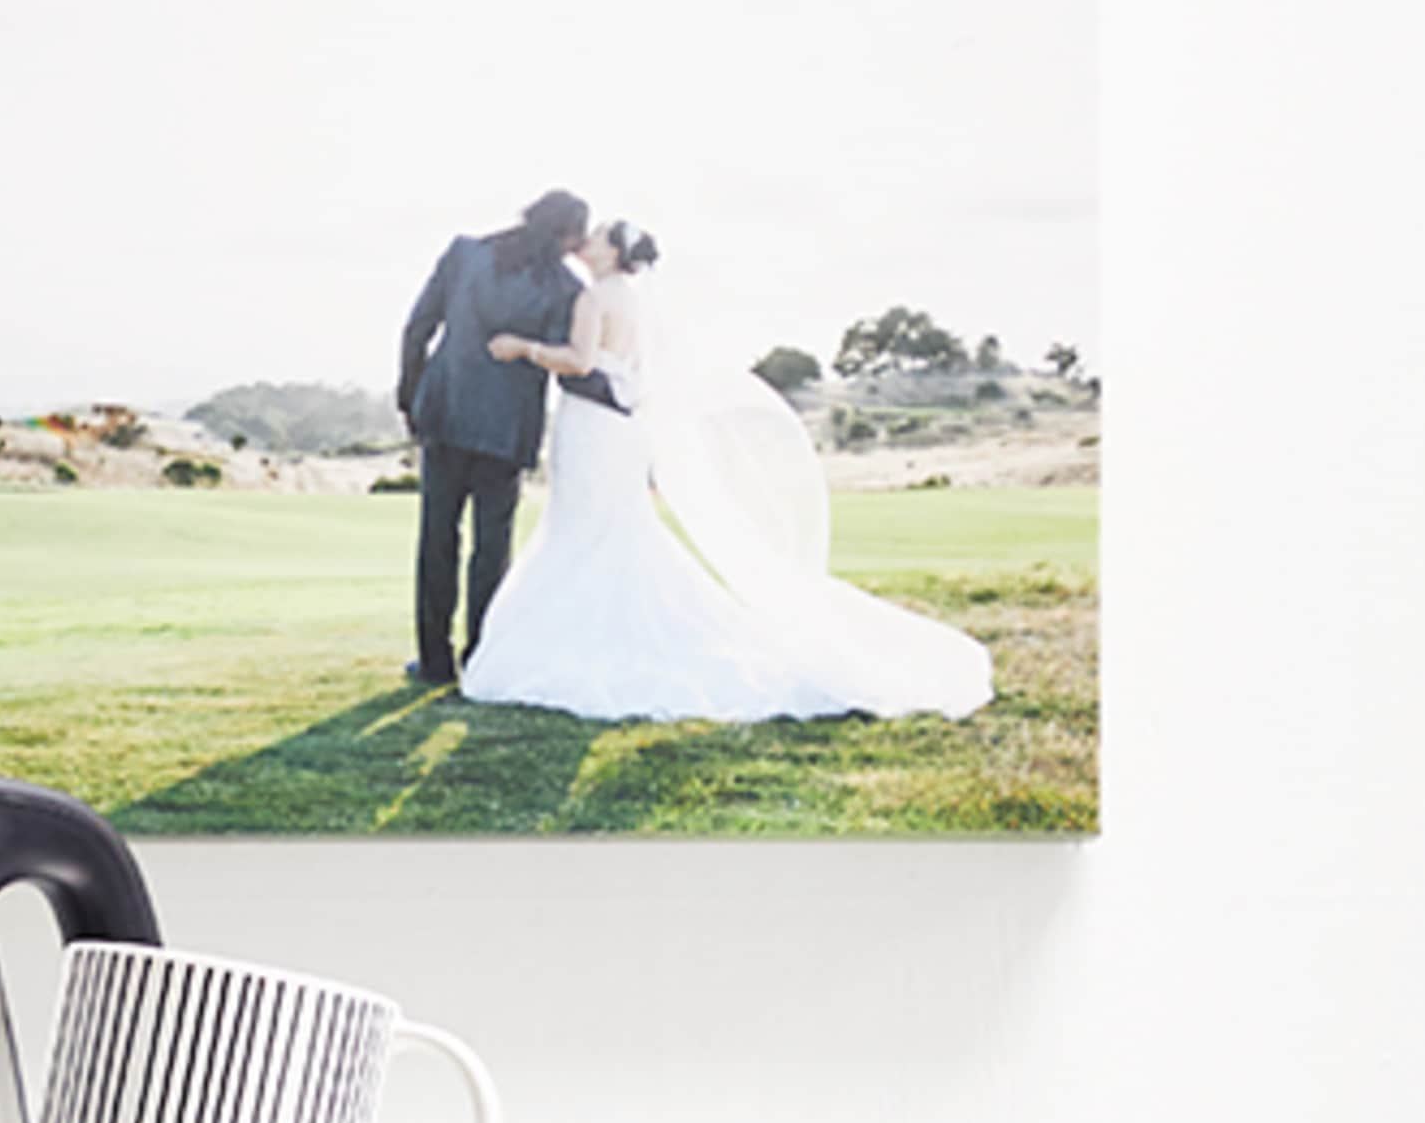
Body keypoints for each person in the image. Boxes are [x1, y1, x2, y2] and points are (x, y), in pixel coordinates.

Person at [459, 220, 999, 729]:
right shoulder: (631, 301)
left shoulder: (594, 297)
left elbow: (578, 362)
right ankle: (599, 636)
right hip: (620, 432)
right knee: (609, 531)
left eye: (598, 236)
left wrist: (521, 348)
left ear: (615, 252)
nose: (586, 240)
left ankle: (580, 644)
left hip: (594, 429)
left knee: (584, 530)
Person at [392, 187, 590, 688]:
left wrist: (412, 399)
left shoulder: (464, 254)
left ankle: (434, 663)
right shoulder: (566, 288)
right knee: (491, 549)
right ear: (567, 236)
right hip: (507, 428)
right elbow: (570, 365)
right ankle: (481, 659)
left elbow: (417, 329)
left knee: (437, 540)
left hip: (444, 412)